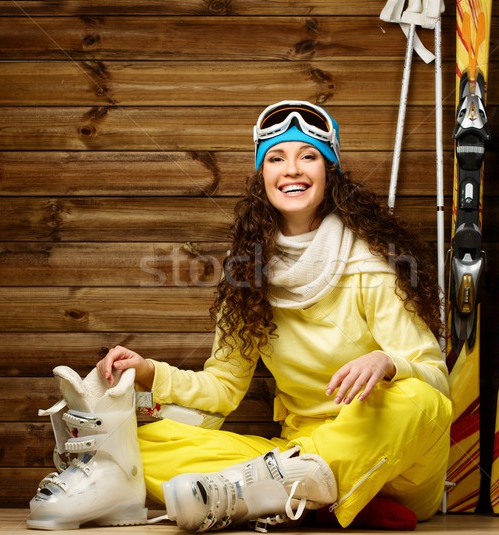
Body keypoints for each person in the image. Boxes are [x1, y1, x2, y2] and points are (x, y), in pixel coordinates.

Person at [97, 100, 453, 531]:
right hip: (294, 460)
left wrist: (388, 363)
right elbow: (224, 387)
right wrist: (150, 371)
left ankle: (280, 491)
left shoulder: (371, 264)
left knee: (420, 400)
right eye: (276, 158)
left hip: (394, 463)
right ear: (262, 175)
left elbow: (435, 376)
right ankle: (316, 497)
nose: (292, 169)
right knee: (139, 442)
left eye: (309, 157)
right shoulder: (247, 273)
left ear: (329, 172)